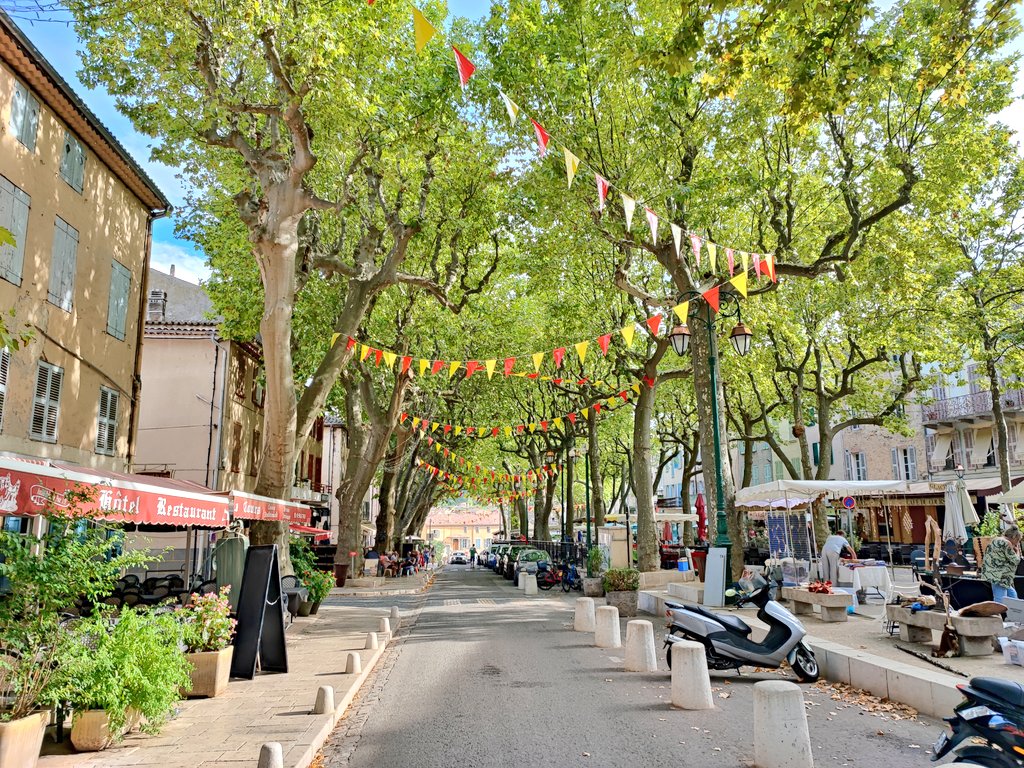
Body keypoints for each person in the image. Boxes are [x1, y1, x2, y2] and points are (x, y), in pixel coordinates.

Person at [981, 525, 1022, 602]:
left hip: (993, 573)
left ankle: (1015, 613)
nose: (1018, 542)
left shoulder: (995, 540)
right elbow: (1016, 560)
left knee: (1013, 596)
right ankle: (997, 613)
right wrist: (1017, 551)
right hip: (1001, 576)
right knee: (1000, 600)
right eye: (1018, 540)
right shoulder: (1007, 543)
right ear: (1014, 537)